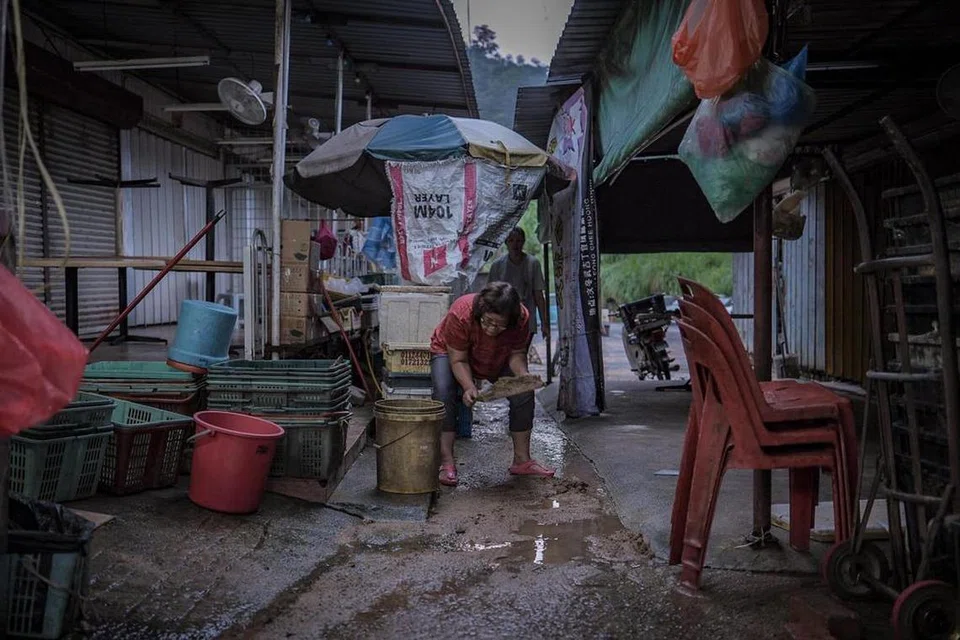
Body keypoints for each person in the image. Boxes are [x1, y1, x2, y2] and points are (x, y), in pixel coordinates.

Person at [430, 281, 555, 486]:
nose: (491, 329)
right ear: (480, 312)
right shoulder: (460, 313)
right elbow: (458, 359)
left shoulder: (521, 318)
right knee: (443, 393)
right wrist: (469, 386)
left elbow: (516, 354)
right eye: (487, 321)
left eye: (499, 325)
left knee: (523, 392)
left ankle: (522, 460)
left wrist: (524, 376)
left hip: (497, 353)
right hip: (452, 352)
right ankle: (446, 462)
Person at [487, 227, 549, 352]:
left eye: (519, 241)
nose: (515, 245)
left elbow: (538, 295)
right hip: (504, 316)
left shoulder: (533, 263)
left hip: (527, 316)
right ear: (506, 242)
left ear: (523, 242)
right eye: (511, 241)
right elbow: (490, 296)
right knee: (504, 353)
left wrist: (544, 323)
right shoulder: (498, 266)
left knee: (521, 351)